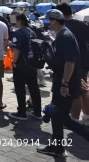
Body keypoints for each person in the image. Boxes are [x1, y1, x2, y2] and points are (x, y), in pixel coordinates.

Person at [37, 9, 89, 157]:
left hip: (64, 84)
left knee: (63, 117)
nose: (45, 23)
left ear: (53, 21)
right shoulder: (63, 35)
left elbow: (70, 61)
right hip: (64, 81)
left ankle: (81, 137)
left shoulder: (64, 36)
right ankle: (57, 147)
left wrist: (66, 83)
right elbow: (71, 58)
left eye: (47, 20)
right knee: (56, 114)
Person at [56, 3, 89, 123]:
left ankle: (73, 120)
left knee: (76, 92)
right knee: (84, 89)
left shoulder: (64, 27)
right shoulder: (82, 24)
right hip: (84, 62)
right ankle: (86, 116)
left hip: (72, 63)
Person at [6, 14, 42, 120]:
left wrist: (14, 62)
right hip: (32, 64)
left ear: (19, 20)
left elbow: (17, 50)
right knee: (34, 88)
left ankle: (21, 112)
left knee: (20, 88)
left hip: (21, 64)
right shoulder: (32, 32)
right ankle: (37, 111)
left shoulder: (18, 33)